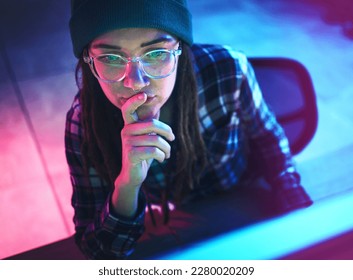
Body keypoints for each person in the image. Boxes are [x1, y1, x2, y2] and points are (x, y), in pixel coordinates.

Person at [66, 0, 313, 260]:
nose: (136, 82)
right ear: (88, 61)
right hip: (179, 218)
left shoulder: (229, 70)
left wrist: (299, 217)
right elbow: (100, 252)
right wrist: (127, 185)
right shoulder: (84, 123)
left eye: (156, 53)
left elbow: (269, 140)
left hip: (245, 195)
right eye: (111, 58)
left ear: (180, 50)